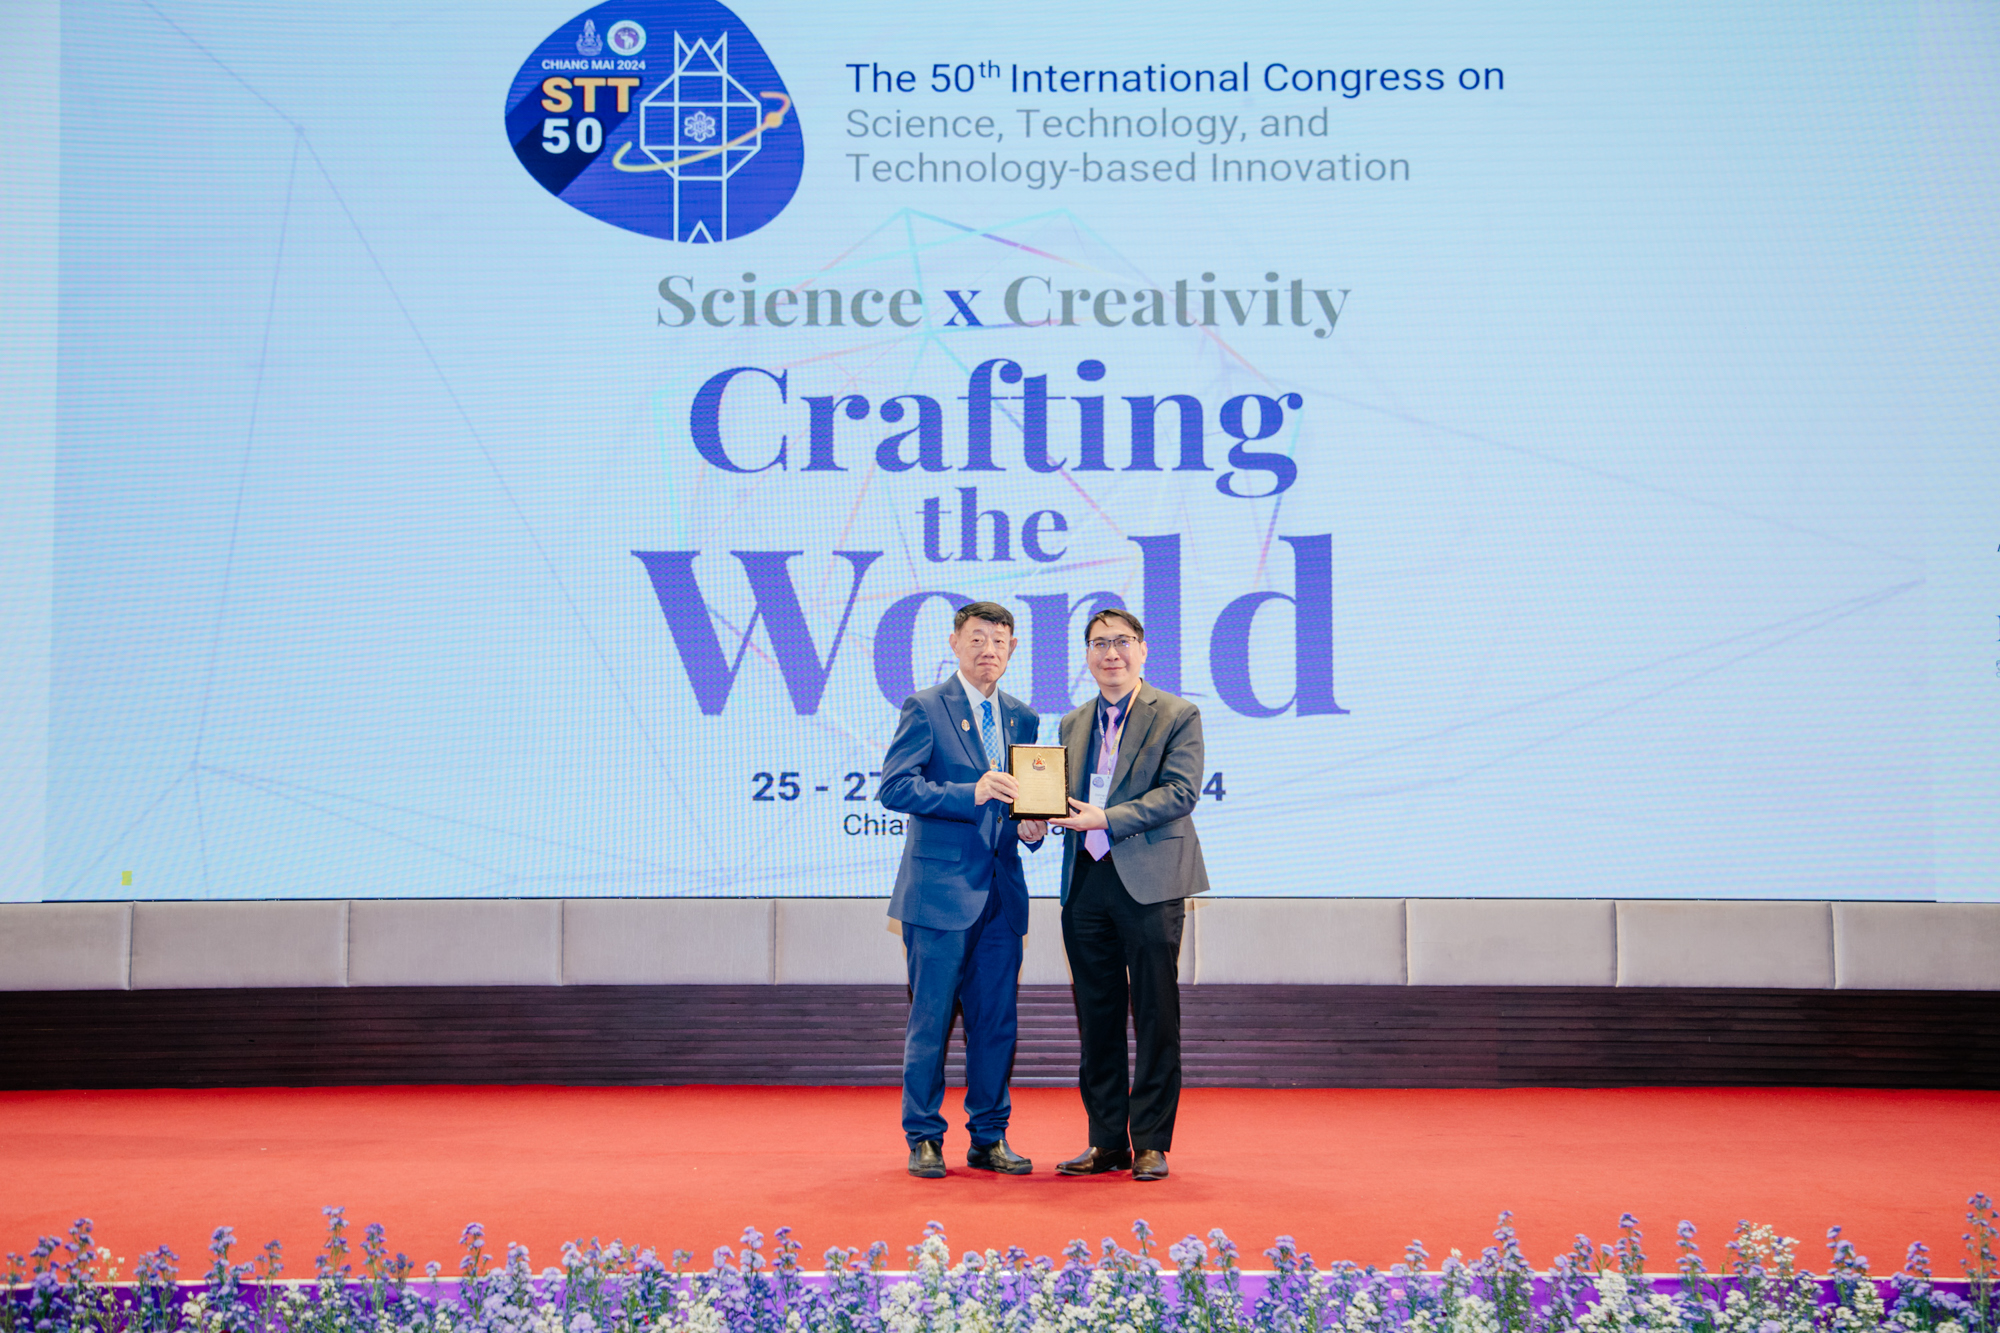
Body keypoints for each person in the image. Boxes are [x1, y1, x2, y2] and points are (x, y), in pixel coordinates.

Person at [880, 602, 1049, 1179]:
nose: (988, 650)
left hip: (1002, 898)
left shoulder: (1023, 719)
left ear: (1012, 649)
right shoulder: (926, 707)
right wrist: (967, 792)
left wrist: (1030, 827)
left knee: (996, 1024)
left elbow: (1019, 804)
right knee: (930, 1022)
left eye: (999, 641)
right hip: (938, 896)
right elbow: (895, 787)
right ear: (954, 643)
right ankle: (924, 1136)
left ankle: (989, 1136)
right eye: (977, 638)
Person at [1049, 607, 1209, 1182]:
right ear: (1087, 656)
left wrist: (1108, 818)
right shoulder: (1071, 723)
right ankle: (1107, 1141)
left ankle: (1151, 1143)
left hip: (1151, 880)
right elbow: (1061, 797)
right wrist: (1036, 819)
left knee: (1155, 1013)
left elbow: (1181, 792)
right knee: (1097, 1016)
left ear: (1142, 649)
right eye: (1098, 644)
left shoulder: (1178, 713)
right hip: (1085, 880)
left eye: (1121, 642)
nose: (1110, 653)